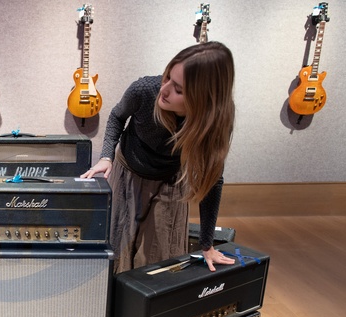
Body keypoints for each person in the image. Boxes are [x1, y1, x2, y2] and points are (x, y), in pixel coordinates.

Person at [81, 41, 236, 273]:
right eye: (167, 78)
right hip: (128, 173)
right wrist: (106, 157)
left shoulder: (216, 122)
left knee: (159, 261)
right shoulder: (144, 90)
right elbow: (116, 116)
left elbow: (212, 181)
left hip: (171, 180)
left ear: (204, 100)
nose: (165, 90)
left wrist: (207, 245)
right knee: (118, 254)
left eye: (178, 90)